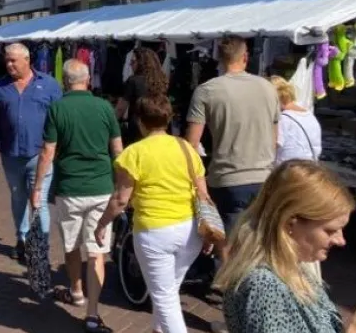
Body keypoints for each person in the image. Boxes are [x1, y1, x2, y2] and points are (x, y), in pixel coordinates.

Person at [217, 161, 356, 333]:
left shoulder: (293, 269)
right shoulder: (265, 287)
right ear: (290, 223)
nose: (341, 240)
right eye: (330, 230)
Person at [95, 95, 209, 333]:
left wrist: (102, 224)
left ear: (140, 121)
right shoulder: (186, 148)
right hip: (189, 231)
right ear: (168, 119)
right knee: (168, 290)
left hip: (155, 231)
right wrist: (210, 231)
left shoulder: (133, 154)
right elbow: (203, 194)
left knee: (165, 297)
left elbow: (121, 200)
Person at [33, 59, 122, 333]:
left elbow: (48, 151)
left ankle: (76, 290)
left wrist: (37, 187)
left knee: (71, 245)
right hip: (101, 186)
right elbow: (118, 150)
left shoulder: (57, 108)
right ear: (88, 80)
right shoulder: (105, 107)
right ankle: (92, 314)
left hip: (69, 187)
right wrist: (122, 186)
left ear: (65, 82)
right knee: (96, 252)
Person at [185, 36, 280, 239]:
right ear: (245, 57)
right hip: (264, 177)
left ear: (219, 58)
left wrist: (199, 184)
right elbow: (274, 140)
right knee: (261, 244)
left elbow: (191, 145)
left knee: (229, 245)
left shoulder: (206, 91)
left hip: (227, 178)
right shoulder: (268, 88)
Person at [0, 43, 62, 264]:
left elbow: (60, 119)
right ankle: (22, 238)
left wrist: (59, 149)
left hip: (41, 155)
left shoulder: (49, 85)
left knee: (39, 201)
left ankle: (40, 244)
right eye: (7, 60)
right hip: (11, 154)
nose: (9, 65)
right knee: (18, 198)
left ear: (27, 60)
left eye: (13, 61)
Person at [114, 47, 168, 145]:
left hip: (138, 126)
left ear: (141, 63)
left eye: (133, 61)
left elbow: (120, 109)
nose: (130, 64)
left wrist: (112, 122)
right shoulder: (162, 80)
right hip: (158, 125)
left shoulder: (133, 81)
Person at [269, 75, 322, 163]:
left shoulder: (282, 119)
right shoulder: (310, 116)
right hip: (310, 168)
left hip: (288, 170)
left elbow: (271, 147)